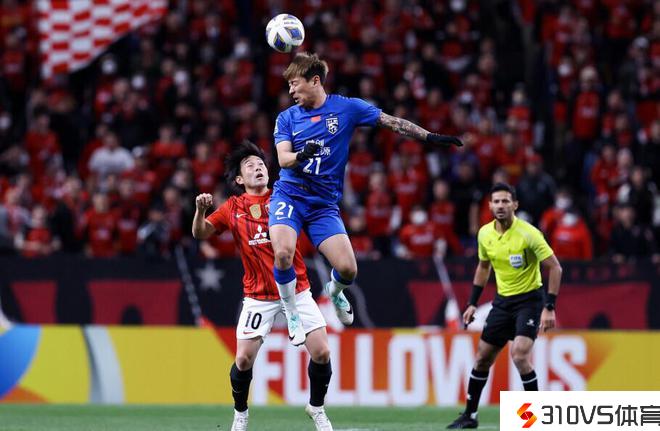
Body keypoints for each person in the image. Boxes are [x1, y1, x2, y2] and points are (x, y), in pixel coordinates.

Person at [269, 52, 463, 345]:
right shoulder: (287, 118)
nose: (291, 91)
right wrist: (301, 155)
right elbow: (283, 159)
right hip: (290, 195)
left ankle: (335, 292)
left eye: (294, 84)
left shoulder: (347, 108)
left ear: (315, 81)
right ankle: (292, 311)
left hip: (323, 205)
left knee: (348, 269)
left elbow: (392, 122)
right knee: (283, 253)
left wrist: (430, 137)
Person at [192, 142, 334, 431]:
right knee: (243, 359)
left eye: (260, 164)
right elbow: (201, 233)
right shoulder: (232, 207)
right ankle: (240, 414)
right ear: (239, 179)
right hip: (259, 296)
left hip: (296, 289)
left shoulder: (285, 196)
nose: (257, 168)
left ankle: (316, 407)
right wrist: (199, 211)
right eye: (250, 166)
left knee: (322, 353)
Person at [447, 183, 563, 429]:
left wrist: (550, 306)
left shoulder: (529, 234)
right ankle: (470, 415)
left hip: (529, 300)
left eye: (505, 201)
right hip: (502, 303)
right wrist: (472, 303)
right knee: (482, 358)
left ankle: (533, 419)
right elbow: (483, 267)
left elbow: (555, 267)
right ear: (490, 206)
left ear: (515, 205)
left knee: (519, 354)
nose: (501, 206)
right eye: (496, 201)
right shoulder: (485, 234)